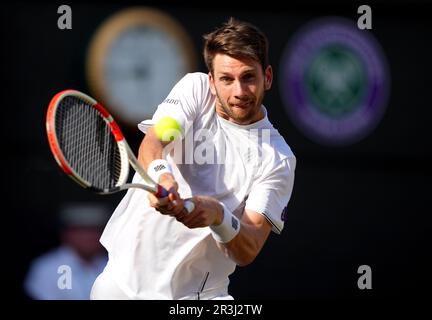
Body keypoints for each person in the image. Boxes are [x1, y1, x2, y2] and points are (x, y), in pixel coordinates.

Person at [91, 17, 296, 300]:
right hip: (120, 286)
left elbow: (248, 247)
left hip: (198, 297)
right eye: (227, 79)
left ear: (268, 77)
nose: (239, 91)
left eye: (249, 77)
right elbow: (154, 143)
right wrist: (162, 176)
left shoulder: (278, 158)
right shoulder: (195, 89)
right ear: (212, 82)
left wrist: (218, 215)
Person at [24, 203, 109, 300]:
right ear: (66, 234)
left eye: (95, 231)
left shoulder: (114, 265)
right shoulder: (46, 267)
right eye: (81, 231)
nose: (89, 237)